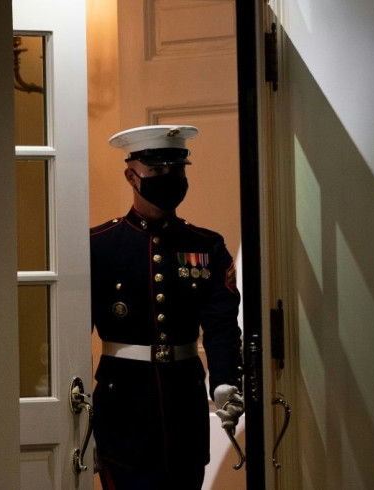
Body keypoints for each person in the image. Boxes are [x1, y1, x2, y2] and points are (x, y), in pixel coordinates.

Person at [90, 125, 245, 489]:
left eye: (177, 170)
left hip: (184, 407)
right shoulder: (99, 245)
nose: (170, 179)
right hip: (121, 409)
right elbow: (68, 331)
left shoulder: (206, 246)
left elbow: (222, 324)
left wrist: (224, 381)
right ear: (131, 175)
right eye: (157, 171)